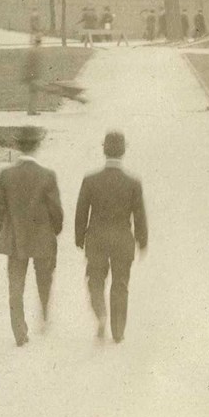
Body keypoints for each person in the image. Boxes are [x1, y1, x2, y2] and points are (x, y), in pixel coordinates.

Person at [75, 130, 148, 343]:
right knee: (120, 284)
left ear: (104, 150)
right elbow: (140, 215)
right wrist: (142, 241)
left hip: (96, 239)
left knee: (95, 280)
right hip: (122, 240)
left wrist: (80, 238)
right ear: (123, 151)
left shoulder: (90, 180)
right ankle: (118, 332)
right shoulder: (133, 183)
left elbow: (81, 212)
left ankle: (101, 315)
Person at [0, 126, 62, 347]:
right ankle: (43, 313)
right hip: (42, 237)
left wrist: (6, 230)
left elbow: (0, 210)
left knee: (15, 286)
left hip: (15, 240)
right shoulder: (47, 175)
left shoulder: (4, 175)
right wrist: (54, 231)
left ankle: (19, 332)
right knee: (44, 278)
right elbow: (56, 211)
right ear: (37, 146)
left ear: (17, 145)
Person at [23, 34, 44, 116]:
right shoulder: (35, 51)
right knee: (33, 93)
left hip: (31, 75)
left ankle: (31, 110)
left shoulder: (32, 50)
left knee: (32, 93)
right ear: (39, 43)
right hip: (32, 76)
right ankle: (31, 111)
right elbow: (32, 65)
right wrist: (34, 76)